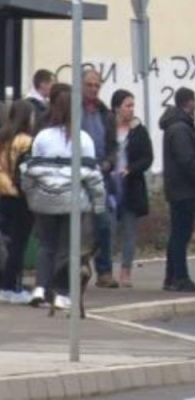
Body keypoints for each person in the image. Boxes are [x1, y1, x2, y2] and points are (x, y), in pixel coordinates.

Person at [20, 84, 106, 310]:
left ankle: (40, 288)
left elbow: (30, 170)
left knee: (46, 245)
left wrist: (31, 195)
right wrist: (99, 204)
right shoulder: (83, 139)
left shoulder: (42, 137)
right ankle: (61, 293)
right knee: (67, 248)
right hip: (72, 201)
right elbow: (93, 176)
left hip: (44, 200)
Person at [159, 87, 195, 293]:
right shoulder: (180, 128)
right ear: (188, 102)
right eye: (194, 101)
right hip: (184, 190)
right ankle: (180, 277)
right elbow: (186, 159)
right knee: (181, 235)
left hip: (178, 189)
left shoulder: (176, 125)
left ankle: (171, 277)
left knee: (177, 234)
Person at [110, 89, 153, 288]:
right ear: (117, 108)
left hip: (131, 187)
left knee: (129, 232)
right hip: (110, 187)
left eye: (132, 105)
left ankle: (126, 271)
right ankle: (105, 270)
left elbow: (147, 157)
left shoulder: (138, 131)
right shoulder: (108, 128)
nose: (131, 109)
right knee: (108, 230)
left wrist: (131, 169)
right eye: (127, 105)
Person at [81, 69, 119, 288]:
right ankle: (77, 263)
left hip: (99, 175)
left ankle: (104, 271)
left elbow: (113, 147)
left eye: (97, 85)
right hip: (76, 175)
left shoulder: (106, 114)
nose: (93, 89)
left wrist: (108, 163)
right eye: (89, 85)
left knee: (104, 224)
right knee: (77, 224)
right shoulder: (73, 111)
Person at [0, 100, 35, 304]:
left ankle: (3, 283)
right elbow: (25, 172)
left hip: (2, 193)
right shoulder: (26, 142)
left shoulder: (3, 137)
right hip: (18, 197)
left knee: (4, 242)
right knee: (18, 244)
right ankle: (12, 286)